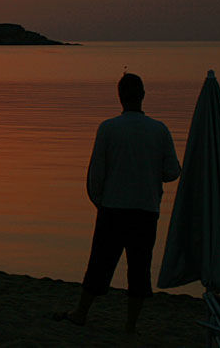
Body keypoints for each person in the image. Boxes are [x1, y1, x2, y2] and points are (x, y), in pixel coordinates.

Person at [55, 73, 181, 334]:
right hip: (145, 210)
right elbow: (172, 172)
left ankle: (81, 313)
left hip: (113, 209)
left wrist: (99, 202)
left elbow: (96, 174)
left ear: (120, 97)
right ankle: (130, 325)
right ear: (143, 95)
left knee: (99, 264)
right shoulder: (159, 130)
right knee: (139, 269)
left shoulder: (108, 128)